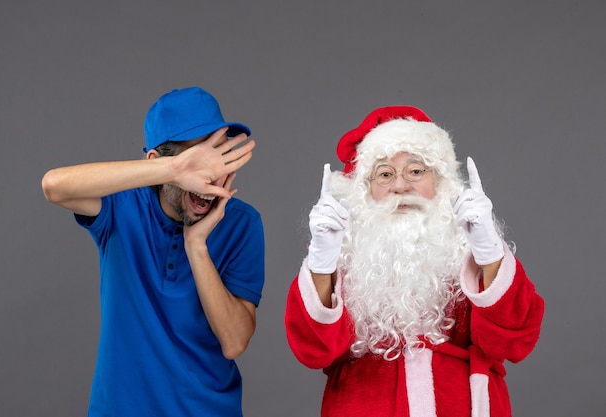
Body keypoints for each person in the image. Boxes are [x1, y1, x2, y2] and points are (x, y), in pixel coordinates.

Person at [284, 106, 544, 417]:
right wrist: (322, 262)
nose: (400, 186)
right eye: (384, 174)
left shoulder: (470, 246)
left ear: (441, 180)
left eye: (416, 171)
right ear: (365, 190)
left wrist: (489, 253)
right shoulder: (343, 254)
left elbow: (516, 342)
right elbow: (313, 351)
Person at [42, 87, 265, 416]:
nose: (211, 176)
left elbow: (234, 343)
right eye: (198, 162)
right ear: (157, 164)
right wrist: (174, 170)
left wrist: (196, 246)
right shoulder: (120, 205)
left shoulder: (242, 223)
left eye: (218, 158)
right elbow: (53, 186)